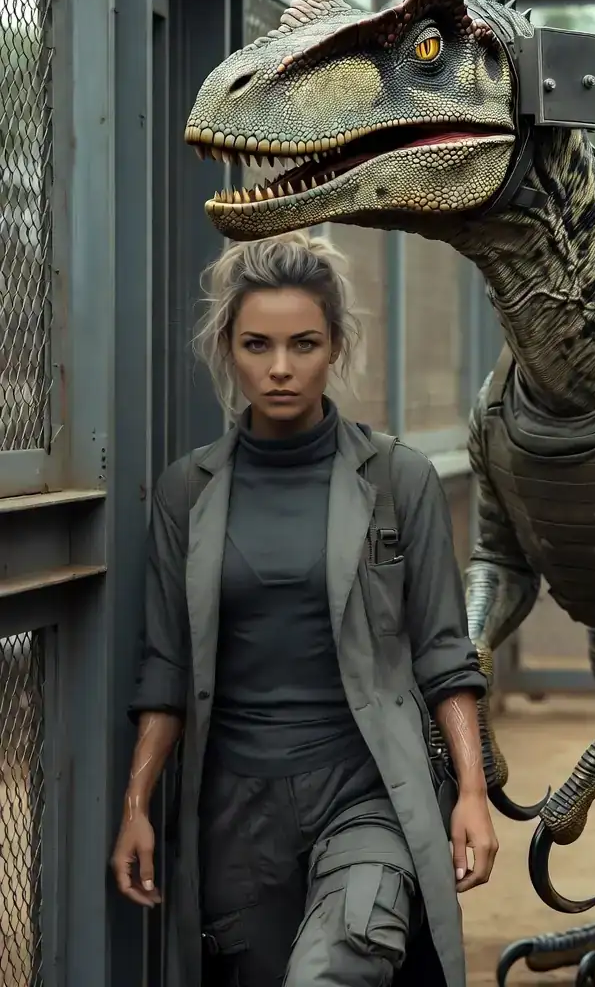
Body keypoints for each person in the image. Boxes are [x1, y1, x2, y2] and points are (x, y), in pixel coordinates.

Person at [111, 231, 498, 987]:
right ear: (227, 347)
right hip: (235, 810)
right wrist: (135, 802)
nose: (281, 368)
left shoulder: (398, 480)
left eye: (304, 344)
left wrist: (473, 793)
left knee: (337, 968)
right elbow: (165, 667)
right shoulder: (187, 493)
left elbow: (445, 654)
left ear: (337, 346)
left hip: (366, 789)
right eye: (258, 344)